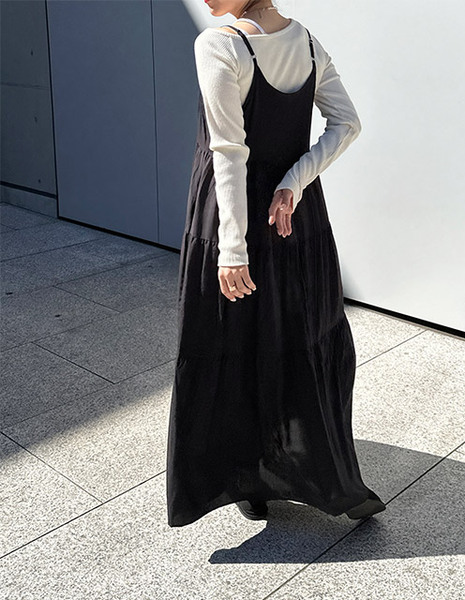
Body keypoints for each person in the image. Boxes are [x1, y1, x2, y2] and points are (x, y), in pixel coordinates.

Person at [166, 0, 385, 526]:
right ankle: (314, 471)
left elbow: (228, 151)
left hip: (232, 215)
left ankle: (244, 477)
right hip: (295, 218)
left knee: (230, 342)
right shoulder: (306, 42)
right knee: (298, 336)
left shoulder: (218, 44)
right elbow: (347, 124)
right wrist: (295, 181)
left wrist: (232, 249)